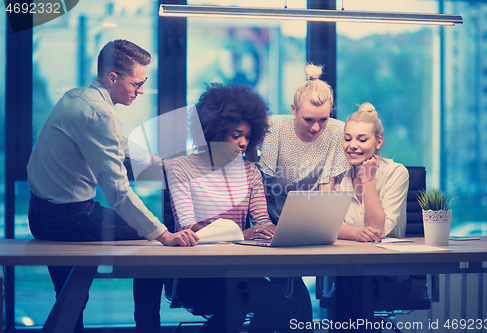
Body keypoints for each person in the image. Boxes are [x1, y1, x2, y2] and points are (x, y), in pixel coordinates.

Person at [27, 39, 198, 333]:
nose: (141, 90)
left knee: (70, 300)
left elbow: (119, 147)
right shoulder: (102, 114)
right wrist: (163, 234)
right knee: (152, 244)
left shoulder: (77, 97)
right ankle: (148, 328)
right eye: (137, 83)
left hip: (41, 214)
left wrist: (162, 164)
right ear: (113, 78)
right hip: (69, 220)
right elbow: (117, 191)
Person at [166, 82, 289, 333]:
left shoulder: (250, 172)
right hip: (196, 273)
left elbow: (262, 220)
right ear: (214, 131)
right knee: (240, 303)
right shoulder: (181, 168)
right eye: (236, 135)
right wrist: (240, 234)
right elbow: (188, 228)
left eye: (247, 136)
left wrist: (271, 229)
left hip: (236, 271)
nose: (244, 143)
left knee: (275, 301)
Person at [256, 64, 351, 331]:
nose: (316, 127)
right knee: (285, 285)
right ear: (294, 109)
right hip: (271, 214)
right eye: (308, 119)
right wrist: (268, 222)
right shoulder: (276, 126)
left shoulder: (336, 130)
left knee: (294, 285)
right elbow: (265, 181)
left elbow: (326, 184)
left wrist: (319, 223)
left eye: (323, 119)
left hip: (310, 215)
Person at [326, 102, 411, 332]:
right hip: (345, 270)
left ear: (378, 142)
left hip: (386, 274)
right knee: (348, 288)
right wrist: (355, 233)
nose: (352, 146)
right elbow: (326, 224)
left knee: (351, 293)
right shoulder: (337, 173)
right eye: (347, 138)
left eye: (362, 140)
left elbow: (377, 229)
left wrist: (368, 179)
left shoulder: (397, 173)